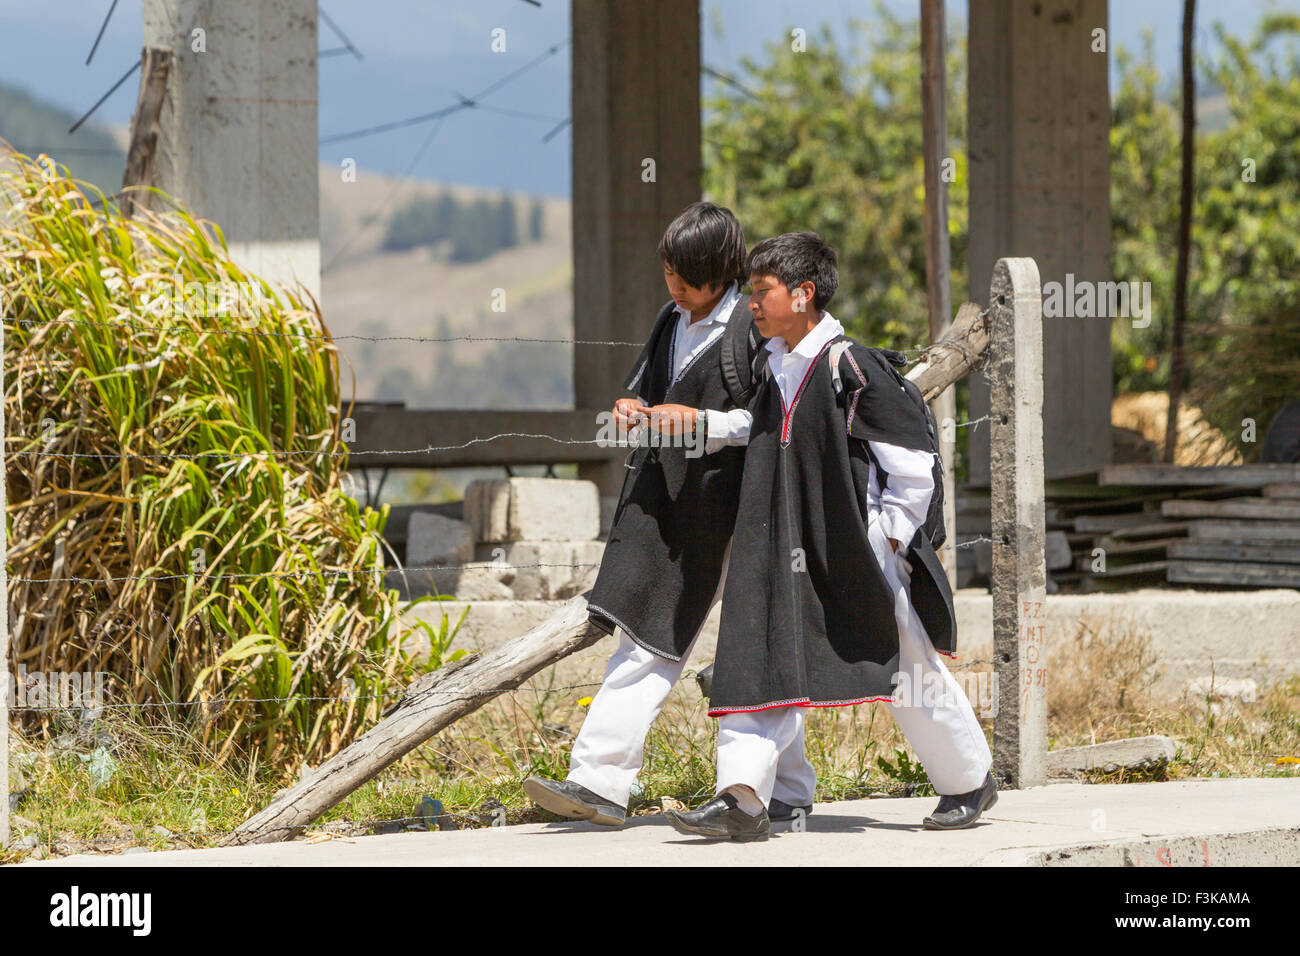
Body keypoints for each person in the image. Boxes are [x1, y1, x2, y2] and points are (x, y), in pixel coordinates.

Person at [665, 231, 996, 842]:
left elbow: (913, 464)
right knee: (760, 652)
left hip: (858, 552)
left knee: (905, 665)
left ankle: (968, 779)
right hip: (783, 550)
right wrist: (698, 423)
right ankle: (746, 798)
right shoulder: (773, 367)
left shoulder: (851, 365)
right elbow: (758, 428)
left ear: (804, 294)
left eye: (762, 293)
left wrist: (887, 540)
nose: (751, 305)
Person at [523, 202, 817, 827]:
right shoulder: (670, 320)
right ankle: (786, 787)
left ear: (722, 271)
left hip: (735, 510)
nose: (675, 288)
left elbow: (773, 420)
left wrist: (703, 423)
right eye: (669, 274)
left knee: (717, 641)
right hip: (670, 506)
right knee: (652, 634)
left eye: (687, 276)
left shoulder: (752, 328)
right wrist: (635, 406)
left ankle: (602, 781)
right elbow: (650, 386)